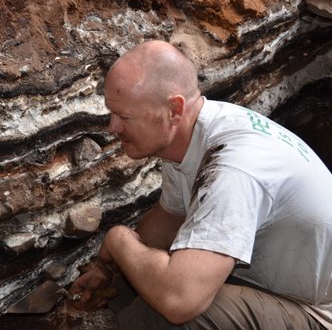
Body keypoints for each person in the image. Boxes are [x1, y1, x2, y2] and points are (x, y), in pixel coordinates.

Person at [69, 40, 332, 329]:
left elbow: (181, 301)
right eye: (111, 112)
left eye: (125, 117)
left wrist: (118, 239)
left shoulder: (233, 168)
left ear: (174, 109)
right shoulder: (189, 135)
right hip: (273, 281)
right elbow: (169, 219)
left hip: (315, 311)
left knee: (172, 315)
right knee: (134, 289)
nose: (112, 127)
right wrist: (108, 269)